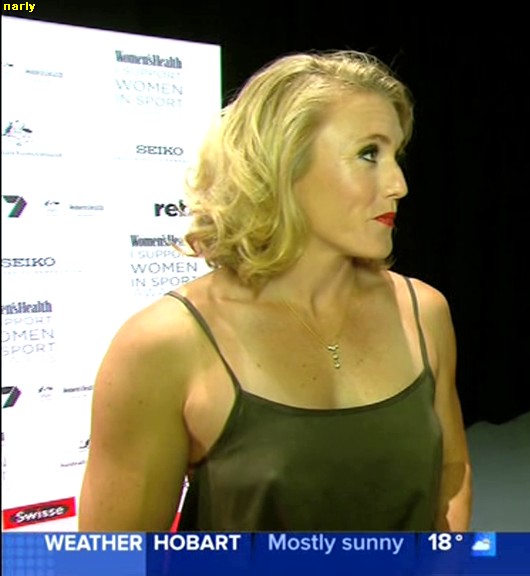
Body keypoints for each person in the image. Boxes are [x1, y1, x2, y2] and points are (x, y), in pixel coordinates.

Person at [79, 50, 472, 532]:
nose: (399, 184)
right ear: (283, 165)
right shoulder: (165, 343)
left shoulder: (423, 311)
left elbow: (452, 470)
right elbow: (114, 556)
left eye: (396, 156)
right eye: (369, 154)